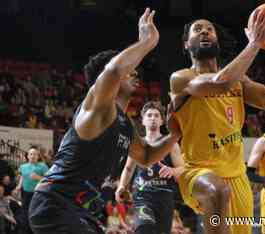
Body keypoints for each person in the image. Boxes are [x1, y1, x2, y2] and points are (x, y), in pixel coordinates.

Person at [28, 8, 180, 234]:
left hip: (78, 209)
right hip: (54, 202)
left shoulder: (125, 124)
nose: (135, 72)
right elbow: (114, 69)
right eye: (130, 70)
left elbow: (147, 155)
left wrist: (176, 133)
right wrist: (147, 42)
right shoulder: (97, 108)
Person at [169, 12, 265, 234]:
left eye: (209, 28)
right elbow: (221, 83)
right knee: (217, 191)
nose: (204, 31)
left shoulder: (239, 81)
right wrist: (256, 43)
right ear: (186, 45)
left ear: (217, 40)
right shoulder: (181, 79)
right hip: (198, 172)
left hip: (237, 177)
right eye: (197, 29)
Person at [116, 101, 184, 234]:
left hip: (165, 197)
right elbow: (128, 169)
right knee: (144, 228)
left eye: (156, 115)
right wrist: (122, 186)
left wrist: (173, 170)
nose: (153, 118)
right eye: (149, 115)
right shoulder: (137, 144)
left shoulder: (170, 144)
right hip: (142, 196)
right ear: (143, 121)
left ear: (162, 121)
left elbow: (183, 169)